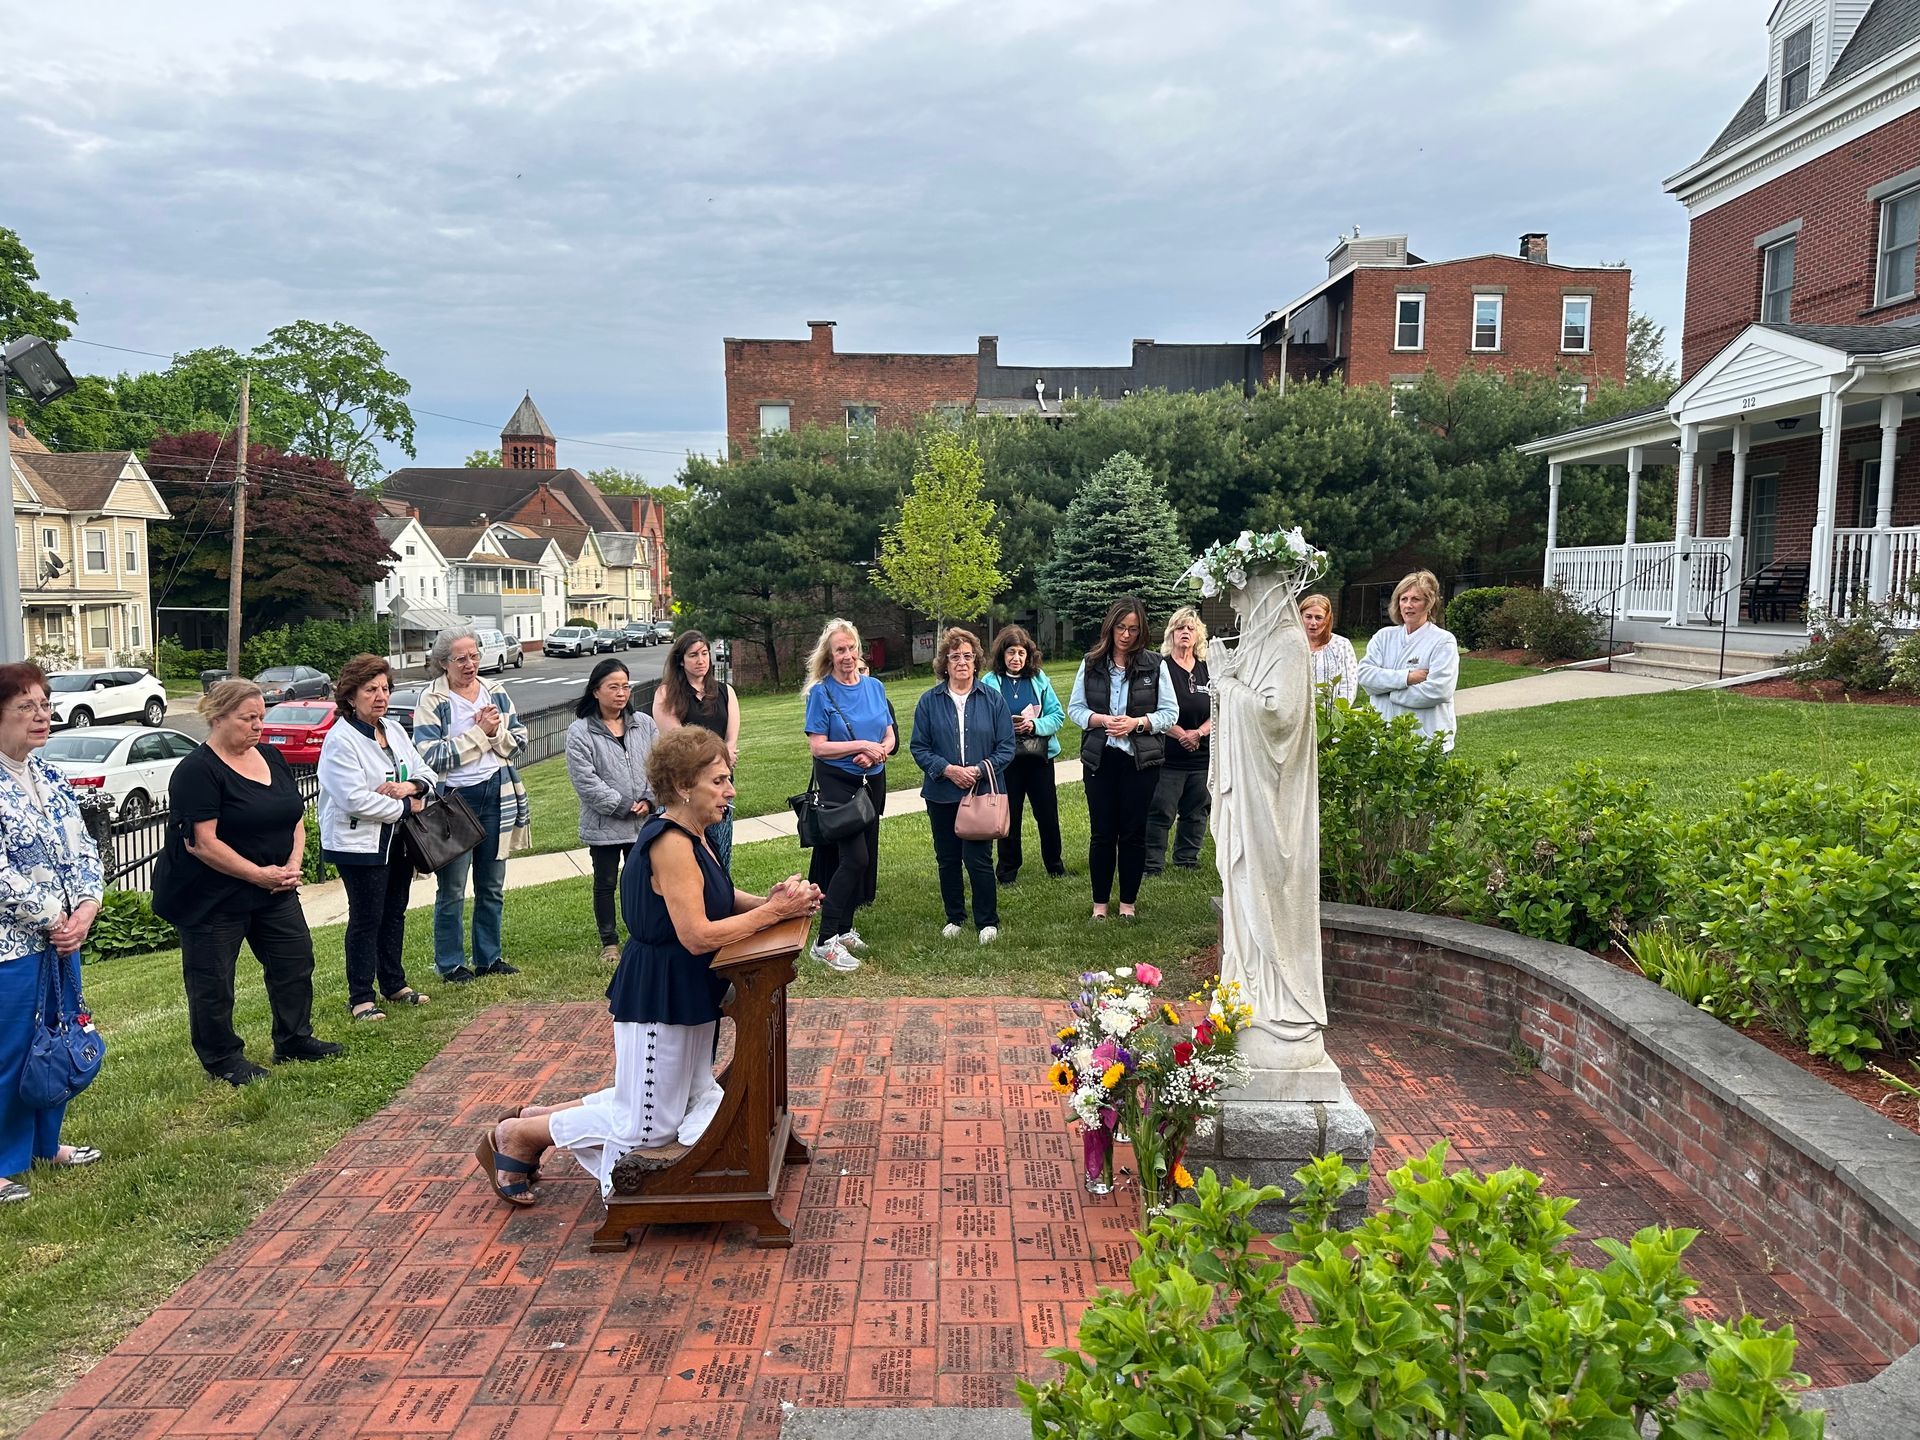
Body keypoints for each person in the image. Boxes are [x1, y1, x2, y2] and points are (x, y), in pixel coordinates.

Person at [477, 728, 821, 1206]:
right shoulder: (671, 843)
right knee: (646, 1126)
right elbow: (697, 933)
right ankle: (523, 1135)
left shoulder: (694, 836)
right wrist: (772, 915)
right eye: (719, 781)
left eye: (729, 779)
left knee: (675, 1102)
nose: (731, 791)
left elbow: (718, 898)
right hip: (660, 992)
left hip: (687, 988)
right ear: (684, 786)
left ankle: (539, 1116)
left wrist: (773, 902)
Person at [152, 677, 340, 1086]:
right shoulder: (197, 771)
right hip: (211, 896)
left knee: (295, 961)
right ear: (217, 717)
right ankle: (222, 1058)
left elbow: (293, 816)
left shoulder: (271, 757)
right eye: (247, 718)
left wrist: (290, 866)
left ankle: (294, 1038)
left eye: (261, 716)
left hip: (274, 887)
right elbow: (203, 844)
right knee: (213, 980)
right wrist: (259, 874)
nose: (258, 726)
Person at [0, 662, 104, 1201]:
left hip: (64, 940)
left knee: (58, 1042)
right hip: (12, 946)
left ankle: (46, 1145)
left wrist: (87, 907)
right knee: (11, 1051)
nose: (41, 716)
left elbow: (84, 848)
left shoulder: (51, 776)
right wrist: (51, 917)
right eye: (26, 707)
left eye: (44, 705)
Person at [316, 656, 438, 1022]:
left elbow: (424, 770)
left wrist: (411, 787)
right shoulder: (341, 740)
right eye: (371, 690)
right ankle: (361, 998)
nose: (380, 696)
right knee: (366, 918)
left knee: (394, 914)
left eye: (384, 688)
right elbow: (353, 798)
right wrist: (407, 808)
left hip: (398, 841)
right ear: (351, 696)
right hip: (358, 845)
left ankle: (394, 984)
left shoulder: (394, 730)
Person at [412, 626, 531, 982]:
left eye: (474, 656)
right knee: (452, 889)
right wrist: (481, 735)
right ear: (443, 663)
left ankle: (489, 958)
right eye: (460, 658)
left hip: (497, 793)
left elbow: (520, 741)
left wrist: (495, 733)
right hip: (454, 804)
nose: (469, 664)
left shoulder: (495, 691)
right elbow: (432, 757)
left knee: (492, 885)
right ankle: (450, 964)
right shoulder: (432, 700)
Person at [1068, 598, 1177, 921]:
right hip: (1101, 759)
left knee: (1133, 833)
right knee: (1102, 833)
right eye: (1120, 627)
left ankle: (1127, 903)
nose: (1126, 635)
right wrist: (1101, 720)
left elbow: (1170, 713)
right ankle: (1100, 905)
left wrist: (1137, 724)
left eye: (1132, 629)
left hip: (1139, 762)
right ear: (1110, 626)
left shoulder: (1155, 665)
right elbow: (1075, 709)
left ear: (1141, 631)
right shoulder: (1091, 663)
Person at [909, 628, 1014, 943]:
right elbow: (919, 747)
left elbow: (1006, 747)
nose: (962, 662)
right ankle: (955, 917)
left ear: (976, 660)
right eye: (955, 657)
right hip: (942, 793)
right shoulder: (929, 701)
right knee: (948, 858)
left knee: (978, 858)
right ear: (944, 663)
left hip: (981, 793)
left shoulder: (992, 699)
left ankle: (987, 921)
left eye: (968, 656)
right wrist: (948, 769)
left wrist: (980, 770)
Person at [801, 618, 893, 973]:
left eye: (852, 648)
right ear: (829, 654)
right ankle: (824, 942)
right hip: (838, 782)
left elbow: (889, 735)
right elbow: (818, 747)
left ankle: (845, 928)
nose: (847, 655)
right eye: (840, 649)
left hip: (872, 780)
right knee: (854, 858)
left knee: (863, 856)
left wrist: (878, 750)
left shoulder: (874, 686)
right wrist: (861, 745)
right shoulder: (821, 693)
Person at [569, 659, 658, 965]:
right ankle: (609, 942)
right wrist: (621, 805)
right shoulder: (580, 731)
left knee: (644, 881)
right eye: (613, 687)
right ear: (596, 691)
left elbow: (659, 765)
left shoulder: (644, 724)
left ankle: (643, 932)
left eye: (625, 686)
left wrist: (649, 799)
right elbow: (585, 781)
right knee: (605, 882)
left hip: (643, 822)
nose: (621, 693)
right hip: (605, 824)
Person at [981, 625, 1066, 883]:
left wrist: (1034, 725)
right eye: (1011, 653)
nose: (1016, 658)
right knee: (1010, 815)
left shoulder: (1039, 679)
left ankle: (1055, 865)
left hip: (1039, 757)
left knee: (1047, 813)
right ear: (1001, 655)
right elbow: (982, 719)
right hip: (1006, 761)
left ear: (1028, 655)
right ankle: (1007, 871)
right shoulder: (989, 682)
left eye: (1021, 653)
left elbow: (1057, 716)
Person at [652, 630, 738, 871]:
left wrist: (725, 757)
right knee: (685, 859)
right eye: (693, 655)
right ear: (681, 660)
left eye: (704, 654)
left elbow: (731, 743)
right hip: (684, 790)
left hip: (719, 788)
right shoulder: (666, 694)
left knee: (720, 858)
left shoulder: (725, 692)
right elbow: (678, 744)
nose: (701, 660)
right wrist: (719, 758)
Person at [1357, 570, 1460, 751]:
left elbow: (1438, 690)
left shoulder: (1443, 641)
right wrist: (1407, 678)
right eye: (1403, 599)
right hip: (1383, 740)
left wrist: (1388, 693)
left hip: (1425, 743)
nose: (1408, 605)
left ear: (1429, 604)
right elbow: (1365, 676)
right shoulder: (1383, 637)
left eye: (1416, 599)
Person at [1144, 606, 1213, 876]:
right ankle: (1152, 864)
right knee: (1160, 811)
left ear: (1198, 636)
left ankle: (1187, 859)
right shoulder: (1160, 668)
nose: (1185, 632)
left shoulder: (1208, 669)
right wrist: (1181, 734)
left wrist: (1200, 733)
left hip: (1202, 754)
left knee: (1197, 811)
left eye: (1190, 628)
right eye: (1179, 628)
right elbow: (1150, 707)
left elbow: (1219, 708)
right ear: (1170, 634)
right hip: (1168, 754)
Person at [1301, 592, 1358, 706]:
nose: (1313, 623)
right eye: (1308, 617)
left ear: (1327, 619)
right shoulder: (1293, 645)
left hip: (1329, 714)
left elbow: (1349, 684)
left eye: (1318, 618)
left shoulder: (1342, 645)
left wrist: (1339, 712)